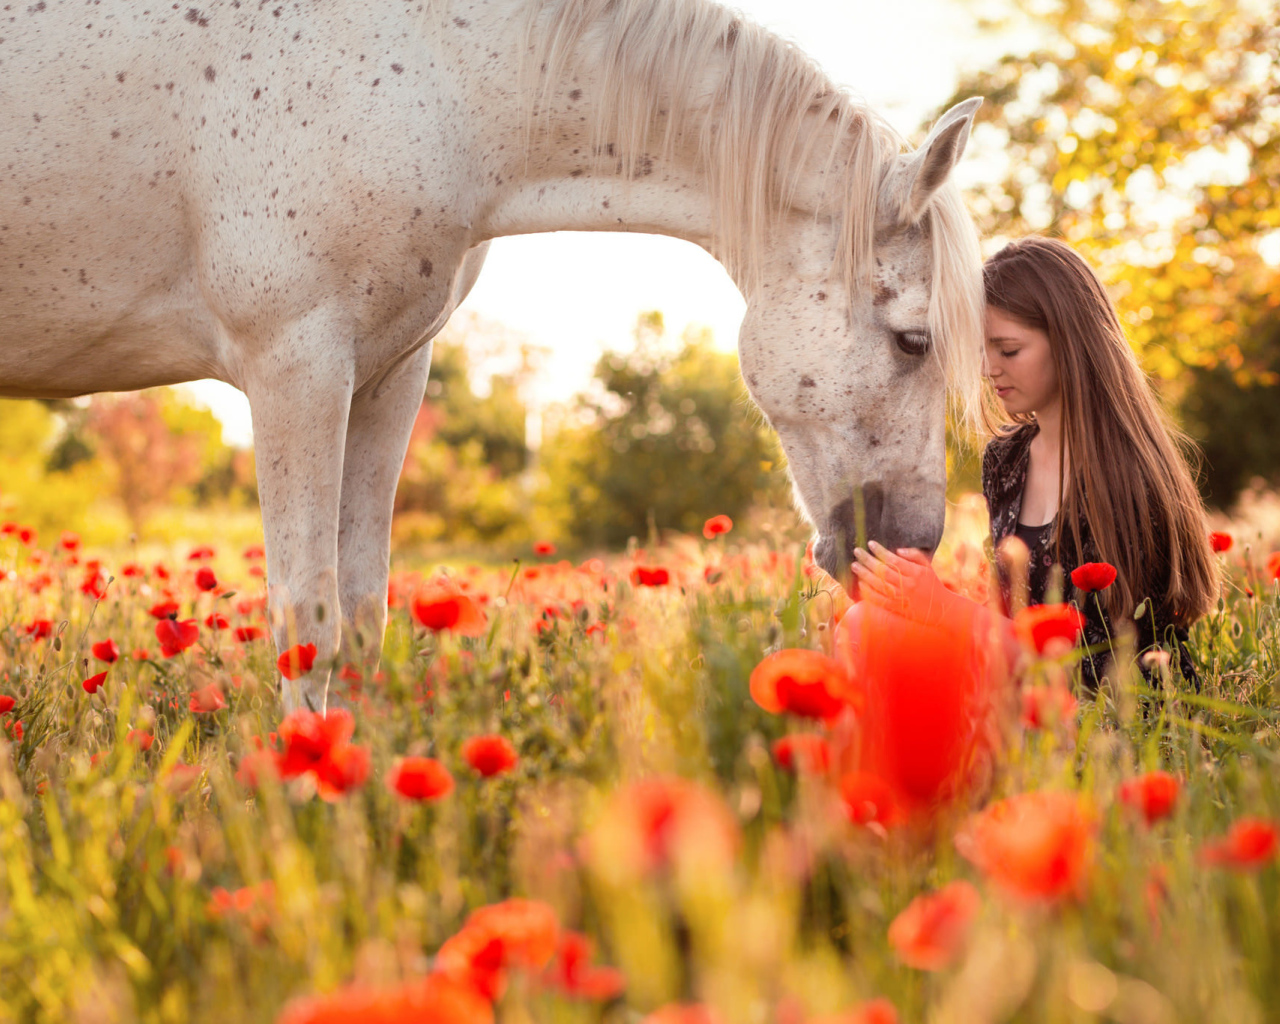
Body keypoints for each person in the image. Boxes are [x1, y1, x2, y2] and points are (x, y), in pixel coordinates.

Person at [851, 236, 1221, 690]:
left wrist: (943, 610)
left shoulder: (1129, 477)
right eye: (983, 350)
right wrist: (920, 589)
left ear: (1070, 343)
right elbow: (1012, 621)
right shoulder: (1006, 459)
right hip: (1023, 689)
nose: (988, 369)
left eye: (1008, 350)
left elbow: (1096, 671)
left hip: (1108, 716)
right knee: (862, 622)